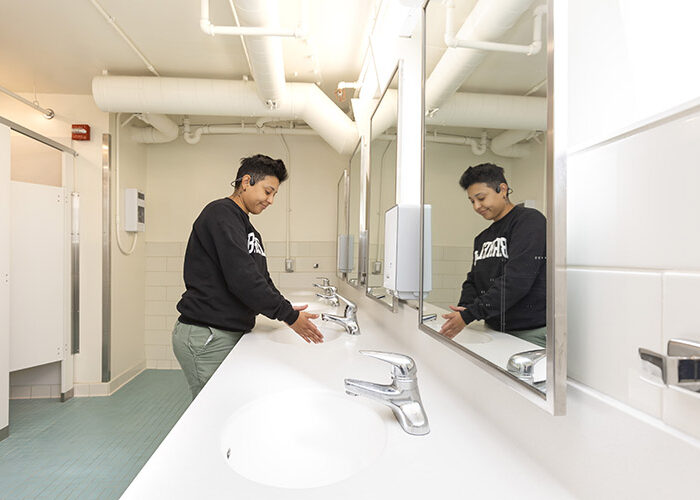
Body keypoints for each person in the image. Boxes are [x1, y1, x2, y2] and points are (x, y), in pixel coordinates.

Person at [172, 154, 323, 399]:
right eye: (267, 191)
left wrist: (285, 308)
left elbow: (260, 279)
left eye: (274, 194)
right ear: (246, 182)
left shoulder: (248, 229)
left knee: (227, 405)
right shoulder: (220, 213)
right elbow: (243, 279)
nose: (271, 200)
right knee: (213, 409)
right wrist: (288, 316)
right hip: (206, 334)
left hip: (223, 332)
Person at [439, 163, 547, 347]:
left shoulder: (529, 221)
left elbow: (517, 280)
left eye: (481, 198)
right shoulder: (482, 238)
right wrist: (465, 306)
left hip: (529, 332)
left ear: (502, 189)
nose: (477, 206)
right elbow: (474, 280)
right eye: (472, 201)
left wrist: (469, 315)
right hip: (494, 329)